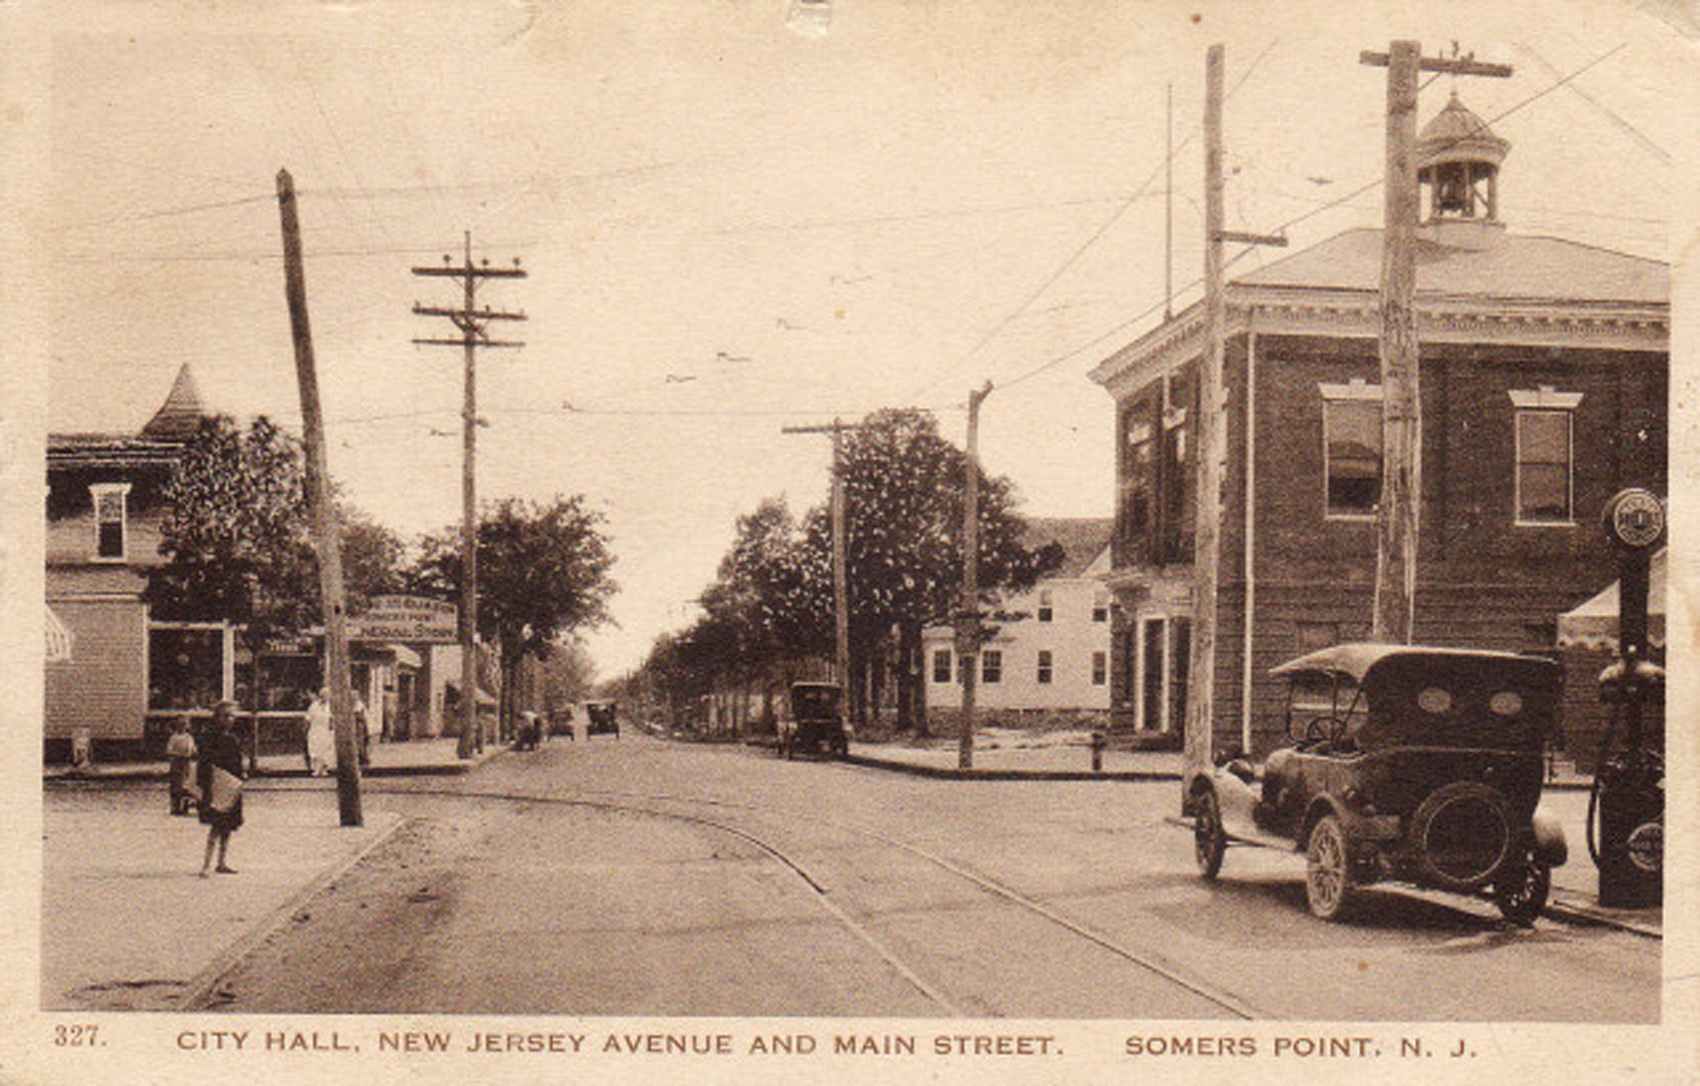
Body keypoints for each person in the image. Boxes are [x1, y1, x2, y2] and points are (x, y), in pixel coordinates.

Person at [197, 700, 246, 876]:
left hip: (232, 784)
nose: (230, 719)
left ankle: (221, 861)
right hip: (217, 784)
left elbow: (238, 760)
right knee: (216, 825)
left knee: (228, 826)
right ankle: (206, 864)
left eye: (232, 716)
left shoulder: (232, 737)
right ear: (217, 717)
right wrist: (206, 784)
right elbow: (205, 762)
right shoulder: (210, 736)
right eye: (226, 716)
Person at [166, 716, 197, 816]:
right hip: (177, 763)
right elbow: (169, 750)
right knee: (176, 785)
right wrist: (177, 754)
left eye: (184, 724)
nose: (182, 727)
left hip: (186, 763)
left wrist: (191, 753)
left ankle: (185, 806)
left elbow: (193, 749)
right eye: (180, 724)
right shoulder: (174, 737)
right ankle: (175, 807)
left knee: (186, 785)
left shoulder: (189, 737)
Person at [304, 688, 334, 776]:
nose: (326, 697)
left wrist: (332, 728)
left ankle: (324, 769)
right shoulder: (314, 706)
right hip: (315, 729)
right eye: (324, 695)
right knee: (316, 749)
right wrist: (306, 729)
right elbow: (308, 718)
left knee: (326, 749)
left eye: (327, 695)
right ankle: (316, 769)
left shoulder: (330, 706)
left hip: (326, 729)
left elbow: (332, 718)